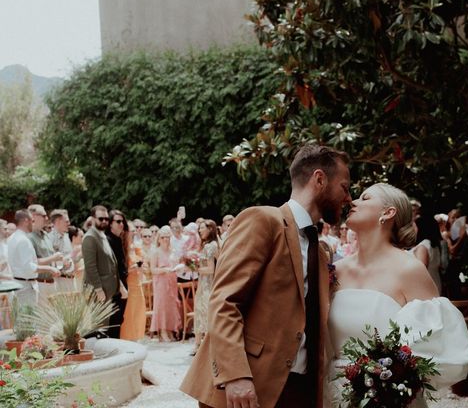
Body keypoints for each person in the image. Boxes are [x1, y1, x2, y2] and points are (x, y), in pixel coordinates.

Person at [181, 144, 352, 408]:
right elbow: (225, 301)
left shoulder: (321, 252)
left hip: (300, 390)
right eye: (344, 186)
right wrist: (236, 375)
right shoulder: (263, 220)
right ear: (319, 179)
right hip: (248, 387)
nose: (348, 198)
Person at [326, 184, 468, 407]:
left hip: (389, 399)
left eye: (365, 198)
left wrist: (394, 378)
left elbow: (438, 346)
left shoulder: (409, 270)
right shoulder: (335, 271)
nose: (353, 202)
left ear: (388, 212)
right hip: (334, 395)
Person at [7, 209, 61, 305]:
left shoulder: (12, 238)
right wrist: (49, 268)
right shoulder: (23, 240)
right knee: (27, 319)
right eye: (32, 221)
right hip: (25, 289)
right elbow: (28, 267)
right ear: (26, 221)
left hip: (18, 285)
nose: (33, 223)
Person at [82, 206, 123, 327]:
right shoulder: (90, 237)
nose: (104, 221)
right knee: (97, 327)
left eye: (106, 218)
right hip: (97, 291)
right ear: (93, 219)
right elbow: (90, 266)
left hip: (107, 290)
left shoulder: (101, 235)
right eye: (101, 219)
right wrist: (98, 289)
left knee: (103, 326)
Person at [149, 225, 182, 342]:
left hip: (172, 280)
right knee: (161, 306)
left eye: (167, 237)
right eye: (163, 237)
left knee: (171, 306)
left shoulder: (172, 251)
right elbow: (152, 270)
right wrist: (163, 270)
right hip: (160, 282)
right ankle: (162, 330)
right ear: (159, 239)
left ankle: (170, 329)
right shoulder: (155, 252)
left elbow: (175, 265)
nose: (165, 240)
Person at [193, 219, 220, 352]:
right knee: (201, 311)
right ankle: (198, 344)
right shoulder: (212, 244)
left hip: (208, 284)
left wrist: (193, 268)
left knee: (204, 312)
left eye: (202, 228)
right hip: (204, 283)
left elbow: (210, 269)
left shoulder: (210, 246)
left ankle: (202, 346)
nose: (199, 230)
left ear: (210, 229)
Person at [120, 225, 147, 341]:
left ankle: (136, 336)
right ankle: (127, 337)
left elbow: (143, 264)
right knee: (129, 312)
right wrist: (132, 268)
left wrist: (141, 267)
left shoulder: (136, 248)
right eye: (131, 231)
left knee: (139, 310)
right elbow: (122, 270)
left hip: (137, 282)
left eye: (134, 231)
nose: (134, 232)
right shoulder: (122, 248)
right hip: (128, 283)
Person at [105, 210, 129, 338]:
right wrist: (121, 287)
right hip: (115, 286)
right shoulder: (108, 240)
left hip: (121, 283)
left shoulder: (118, 240)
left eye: (123, 222)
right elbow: (110, 268)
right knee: (114, 320)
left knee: (119, 319)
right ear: (110, 224)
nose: (121, 224)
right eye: (118, 221)